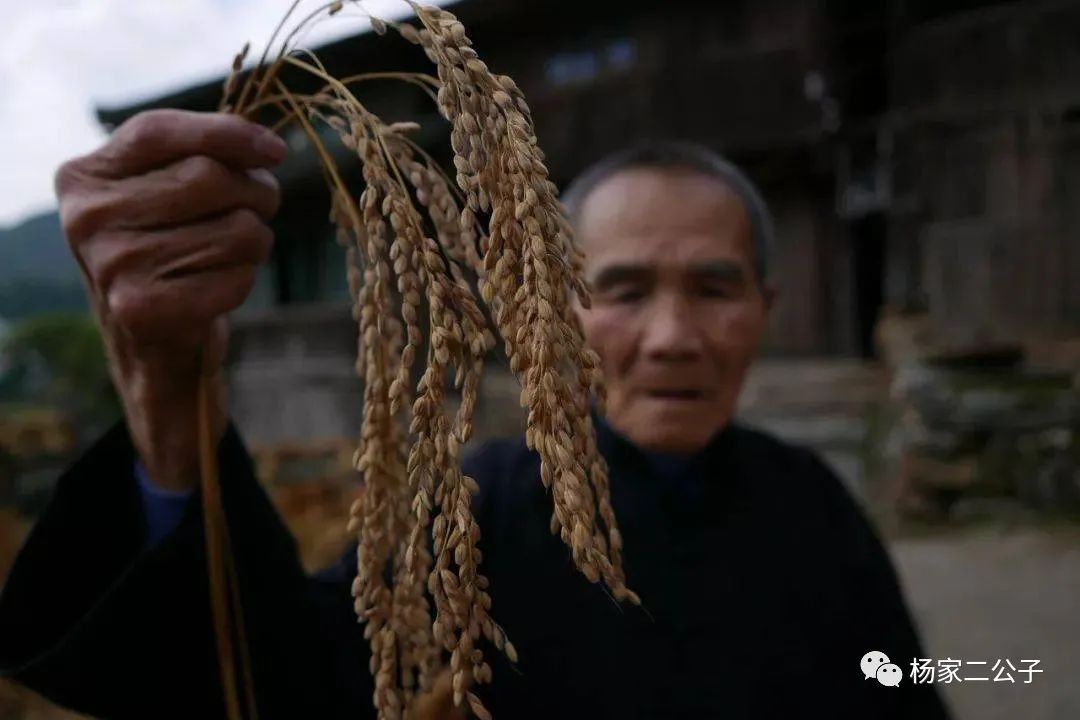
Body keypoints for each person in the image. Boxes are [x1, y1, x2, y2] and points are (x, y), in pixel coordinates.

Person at [0, 111, 951, 719]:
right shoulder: (473, 512)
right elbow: (271, 680)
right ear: (553, 312)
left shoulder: (814, 503)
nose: (671, 337)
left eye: (715, 287)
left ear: (766, 312)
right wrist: (168, 399)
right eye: (621, 290)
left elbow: (897, 685)